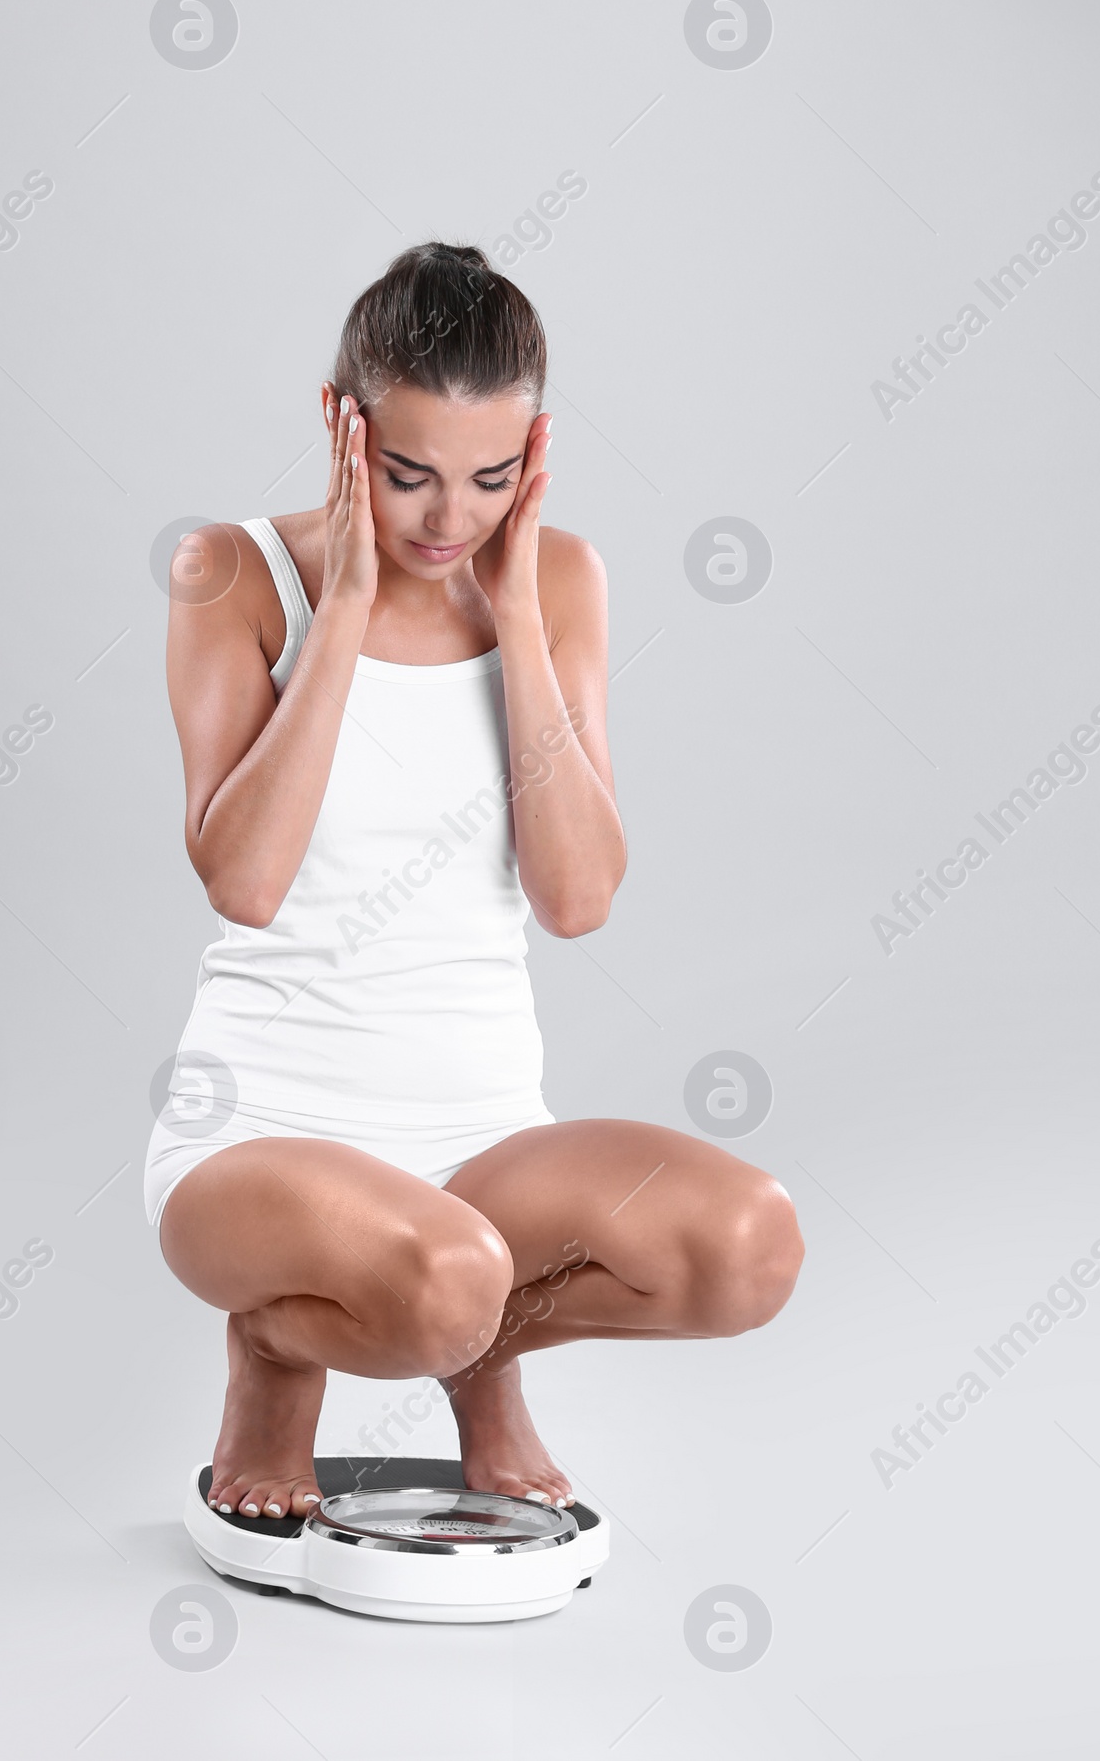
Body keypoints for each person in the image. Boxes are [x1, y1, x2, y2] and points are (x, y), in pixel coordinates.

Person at [146, 242, 804, 1522]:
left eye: (491, 480)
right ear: (342, 429)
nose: (450, 521)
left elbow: (578, 898)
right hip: (264, 1135)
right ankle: (278, 1350)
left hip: (482, 1145)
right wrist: (339, 611)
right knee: (450, 1279)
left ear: (533, 455)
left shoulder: (556, 578)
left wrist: (516, 628)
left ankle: (475, 1355)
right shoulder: (233, 574)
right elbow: (243, 880)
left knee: (748, 1245)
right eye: (408, 478)